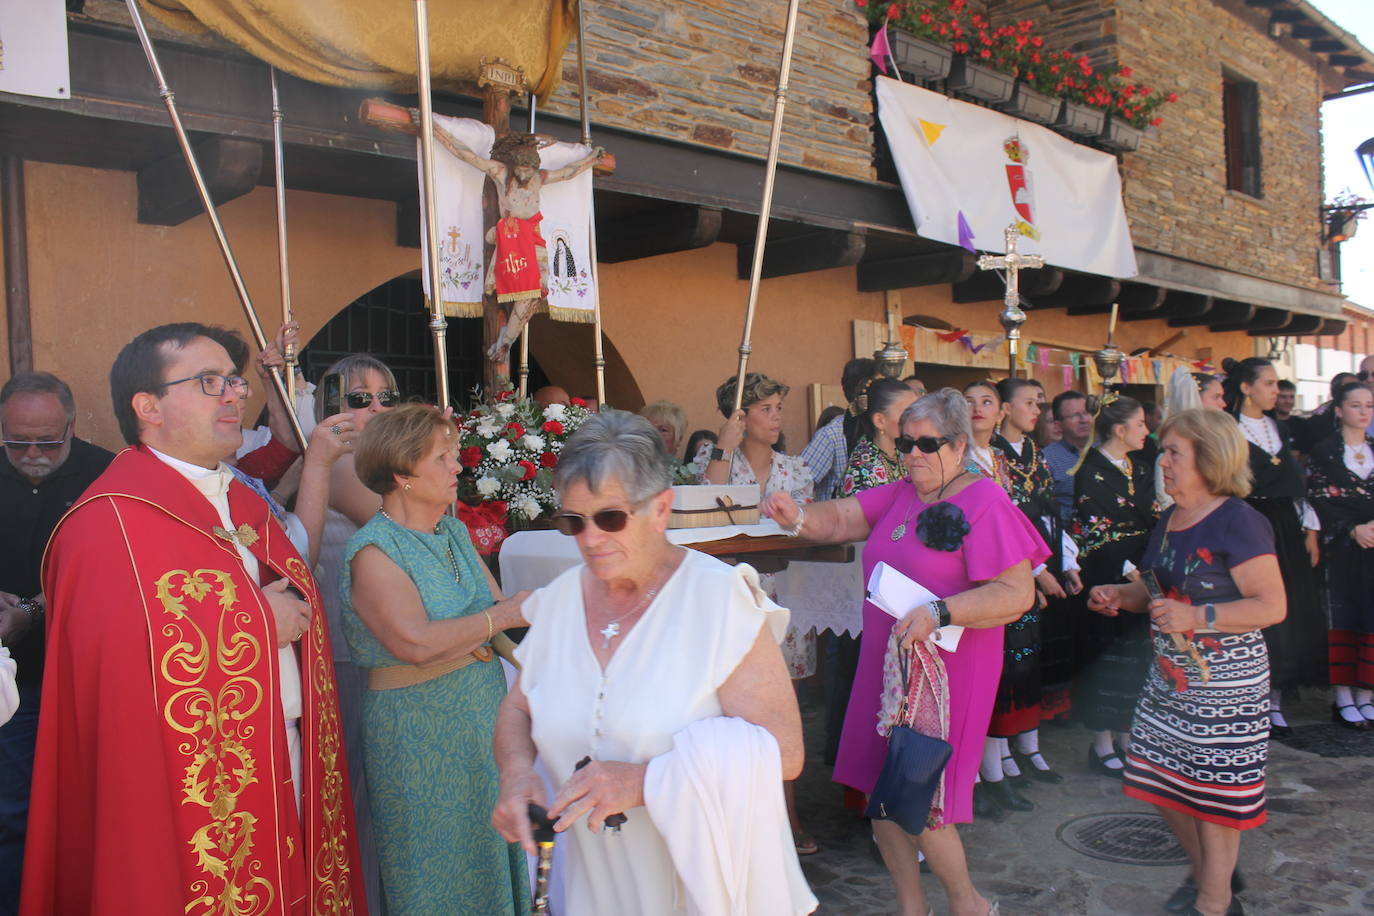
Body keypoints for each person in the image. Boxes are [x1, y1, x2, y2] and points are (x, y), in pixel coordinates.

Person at [23, 323, 362, 914]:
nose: (233, 394)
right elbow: (118, 673)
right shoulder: (105, 524)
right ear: (147, 407)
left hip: (285, 761)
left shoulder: (240, 498)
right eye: (210, 382)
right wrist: (259, 626)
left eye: (232, 381)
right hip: (181, 799)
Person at [490, 411, 816, 915]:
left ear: (661, 509)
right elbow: (519, 708)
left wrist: (645, 783)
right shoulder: (560, 603)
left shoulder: (717, 600)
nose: (590, 538)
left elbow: (786, 751)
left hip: (690, 888)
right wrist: (516, 772)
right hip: (588, 888)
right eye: (573, 521)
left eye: (611, 518)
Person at [765, 388, 1044, 916]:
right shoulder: (903, 493)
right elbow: (842, 518)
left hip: (948, 675)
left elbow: (1016, 593)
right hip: (887, 667)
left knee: (923, 801)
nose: (913, 454)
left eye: (926, 444)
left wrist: (942, 611)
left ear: (959, 445)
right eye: (905, 443)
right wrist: (795, 514)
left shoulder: (986, 502)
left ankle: (969, 904)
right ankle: (912, 908)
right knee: (882, 796)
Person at [1090, 408, 1284, 916]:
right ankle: (1209, 874)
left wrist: (1196, 615)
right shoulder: (1171, 519)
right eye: (1163, 451)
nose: (1164, 461)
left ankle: (1215, 902)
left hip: (1226, 682)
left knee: (1216, 797)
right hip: (1170, 678)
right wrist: (1119, 594)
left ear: (1210, 456)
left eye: (1175, 451)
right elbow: (1155, 592)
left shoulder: (1240, 521)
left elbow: (1271, 605)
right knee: (1159, 778)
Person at [340, 404, 531, 913]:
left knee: (490, 855)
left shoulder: (454, 534)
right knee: (435, 871)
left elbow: (498, 619)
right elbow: (416, 643)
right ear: (402, 474)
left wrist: (540, 670)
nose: (458, 466)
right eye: (443, 457)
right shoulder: (374, 552)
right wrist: (499, 621)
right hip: (419, 730)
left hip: (480, 720)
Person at [0, 372, 114, 911]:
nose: (33, 453)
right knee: (11, 814)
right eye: (16, 441)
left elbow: (115, 576)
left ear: (73, 426)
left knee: (94, 811)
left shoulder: (108, 476)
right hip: (8, 688)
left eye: (48, 441)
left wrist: (30, 611)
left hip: (88, 681)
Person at [697, 371, 816, 852]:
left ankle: (789, 816)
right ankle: (743, 819)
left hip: (784, 598)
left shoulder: (797, 470)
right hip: (734, 602)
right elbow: (706, 503)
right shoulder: (716, 461)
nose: (776, 418)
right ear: (740, 417)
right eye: (765, 409)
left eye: (777, 409)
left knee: (782, 713)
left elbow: (808, 529)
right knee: (738, 713)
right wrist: (725, 446)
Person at [313, 353, 400, 908]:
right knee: (354, 782)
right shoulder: (344, 464)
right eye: (359, 398)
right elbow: (405, 525)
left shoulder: (374, 459)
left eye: (387, 397)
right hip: (345, 641)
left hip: (373, 637)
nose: (376, 408)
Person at [985, 377, 1082, 803]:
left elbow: (1047, 514)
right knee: (1007, 661)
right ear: (1005, 408)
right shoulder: (993, 456)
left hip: (1041, 558)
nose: (1038, 412)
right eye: (1030, 403)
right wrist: (1033, 569)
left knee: (1030, 658)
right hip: (1013, 564)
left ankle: (1028, 743)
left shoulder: (1036, 456)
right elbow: (1005, 522)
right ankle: (1002, 751)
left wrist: (1066, 559)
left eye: (1040, 403)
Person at [434, 129, 606, 361]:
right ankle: (504, 338)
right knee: (508, 277)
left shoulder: (539, 177)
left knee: (536, 291)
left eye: (529, 169)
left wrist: (592, 158)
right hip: (509, 236)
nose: (525, 174)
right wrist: (435, 130)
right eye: (521, 169)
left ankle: (507, 339)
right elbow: (468, 156)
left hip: (532, 237)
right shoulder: (501, 172)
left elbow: (568, 172)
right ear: (514, 164)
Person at [1222, 357, 1324, 734]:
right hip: (1247, 524)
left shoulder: (1281, 427)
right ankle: (1250, 698)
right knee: (1251, 607)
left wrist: (1310, 531)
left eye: (1276, 383)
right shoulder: (1229, 428)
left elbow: (1296, 488)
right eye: (1267, 383)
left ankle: (1276, 699)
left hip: (1284, 527)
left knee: (1288, 608)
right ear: (1246, 388)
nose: (1275, 390)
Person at [1071, 396, 1156, 778]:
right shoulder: (1090, 472)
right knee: (1106, 659)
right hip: (1109, 574)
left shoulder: (1141, 467)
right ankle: (1100, 742)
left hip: (1144, 573)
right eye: (1140, 423)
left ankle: (1128, 737)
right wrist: (1127, 570)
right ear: (1120, 429)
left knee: (1139, 657)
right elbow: (1094, 533)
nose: (1146, 431)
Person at [1306, 381, 1374, 727]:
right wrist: (1351, 528)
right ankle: (1344, 695)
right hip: (1343, 549)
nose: (1363, 412)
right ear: (1339, 410)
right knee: (1345, 614)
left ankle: (1367, 694)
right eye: (1356, 405)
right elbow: (1319, 499)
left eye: (1369, 405)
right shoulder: (1325, 452)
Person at [801, 357, 875, 500]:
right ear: (864, 389)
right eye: (878, 385)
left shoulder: (883, 431)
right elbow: (798, 486)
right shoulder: (831, 435)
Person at [1044, 390, 1093, 524]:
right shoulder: (1047, 458)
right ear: (1058, 425)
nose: (1084, 420)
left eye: (1087, 413)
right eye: (1075, 416)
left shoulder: (1105, 451)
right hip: (1068, 534)